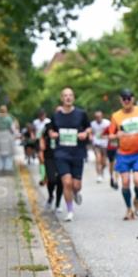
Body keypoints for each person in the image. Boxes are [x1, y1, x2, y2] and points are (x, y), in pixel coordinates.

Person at [108, 89, 138, 220]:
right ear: (120, 100)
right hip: (123, 154)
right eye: (124, 98)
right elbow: (110, 135)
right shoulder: (116, 116)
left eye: (129, 98)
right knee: (126, 182)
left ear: (133, 99)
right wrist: (117, 135)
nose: (126, 101)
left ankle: (137, 200)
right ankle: (129, 209)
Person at [47, 88, 91, 222]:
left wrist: (85, 133)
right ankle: (70, 210)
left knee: (76, 185)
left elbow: (88, 128)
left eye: (70, 95)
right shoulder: (56, 116)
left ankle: (76, 192)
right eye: (65, 96)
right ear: (61, 98)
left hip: (78, 152)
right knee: (66, 182)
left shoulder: (81, 114)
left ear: (74, 98)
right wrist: (53, 135)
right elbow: (50, 131)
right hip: (61, 153)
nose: (68, 98)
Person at [39, 113, 63, 212]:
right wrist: (41, 149)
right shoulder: (48, 126)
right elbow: (41, 137)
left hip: (62, 156)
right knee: (51, 179)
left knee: (60, 180)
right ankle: (50, 196)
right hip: (49, 156)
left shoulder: (65, 126)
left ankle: (58, 204)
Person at [0, 105, 18, 173]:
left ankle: (0, 167)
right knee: (8, 153)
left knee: (0, 153)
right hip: (7, 135)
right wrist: (15, 135)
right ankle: (7, 167)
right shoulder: (9, 118)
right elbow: (12, 128)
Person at [90, 110, 111, 183]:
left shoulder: (107, 123)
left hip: (105, 144)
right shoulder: (92, 124)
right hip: (96, 144)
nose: (98, 118)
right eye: (96, 117)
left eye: (99, 117)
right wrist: (90, 137)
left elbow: (111, 131)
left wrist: (108, 136)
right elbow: (90, 132)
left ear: (102, 116)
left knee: (104, 162)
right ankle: (99, 175)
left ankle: (102, 171)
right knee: (98, 159)